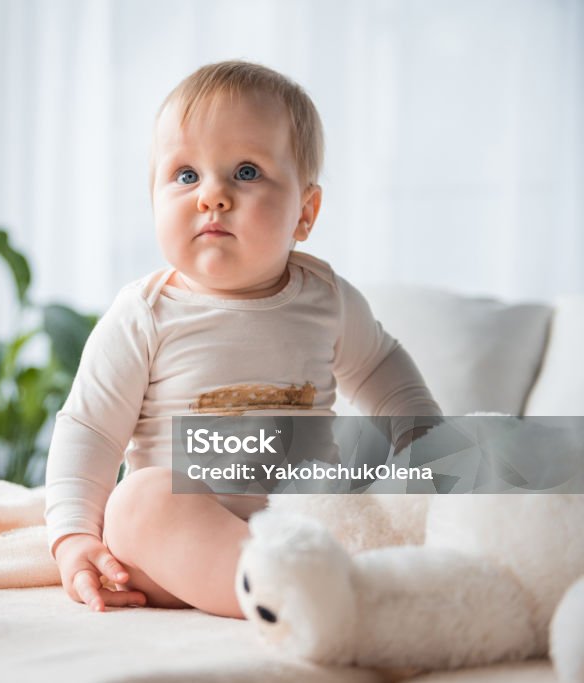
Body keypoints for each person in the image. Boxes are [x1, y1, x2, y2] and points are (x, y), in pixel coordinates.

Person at [45, 61, 441, 618]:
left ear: (305, 212)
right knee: (137, 501)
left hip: (301, 525)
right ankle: (293, 598)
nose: (212, 196)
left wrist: (426, 441)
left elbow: (381, 370)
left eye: (246, 172)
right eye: (186, 176)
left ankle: (308, 585)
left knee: (375, 493)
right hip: (172, 550)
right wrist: (72, 537)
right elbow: (88, 428)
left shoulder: (326, 298)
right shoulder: (145, 315)